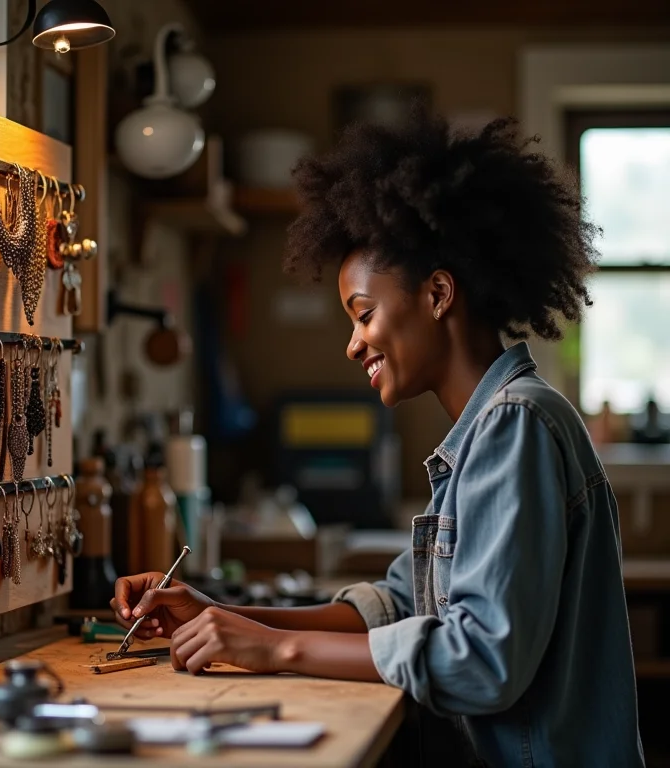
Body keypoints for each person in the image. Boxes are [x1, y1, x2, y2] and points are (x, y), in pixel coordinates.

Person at [111, 103, 644, 767]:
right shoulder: (488, 431)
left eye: (363, 314)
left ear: (439, 294)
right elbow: (397, 605)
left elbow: (482, 662)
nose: (352, 343)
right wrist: (220, 616)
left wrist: (274, 649)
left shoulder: (516, 425)